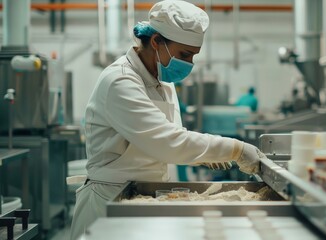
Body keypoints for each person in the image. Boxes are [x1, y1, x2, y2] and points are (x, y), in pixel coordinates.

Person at [70, 1, 265, 239]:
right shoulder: (120, 81)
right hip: (108, 203)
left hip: (145, 197)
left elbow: (168, 137)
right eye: (184, 54)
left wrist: (201, 157)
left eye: (193, 56)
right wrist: (235, 149)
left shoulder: (164, 82)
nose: (189, 64)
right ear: (155, 42)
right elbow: (167, 141)